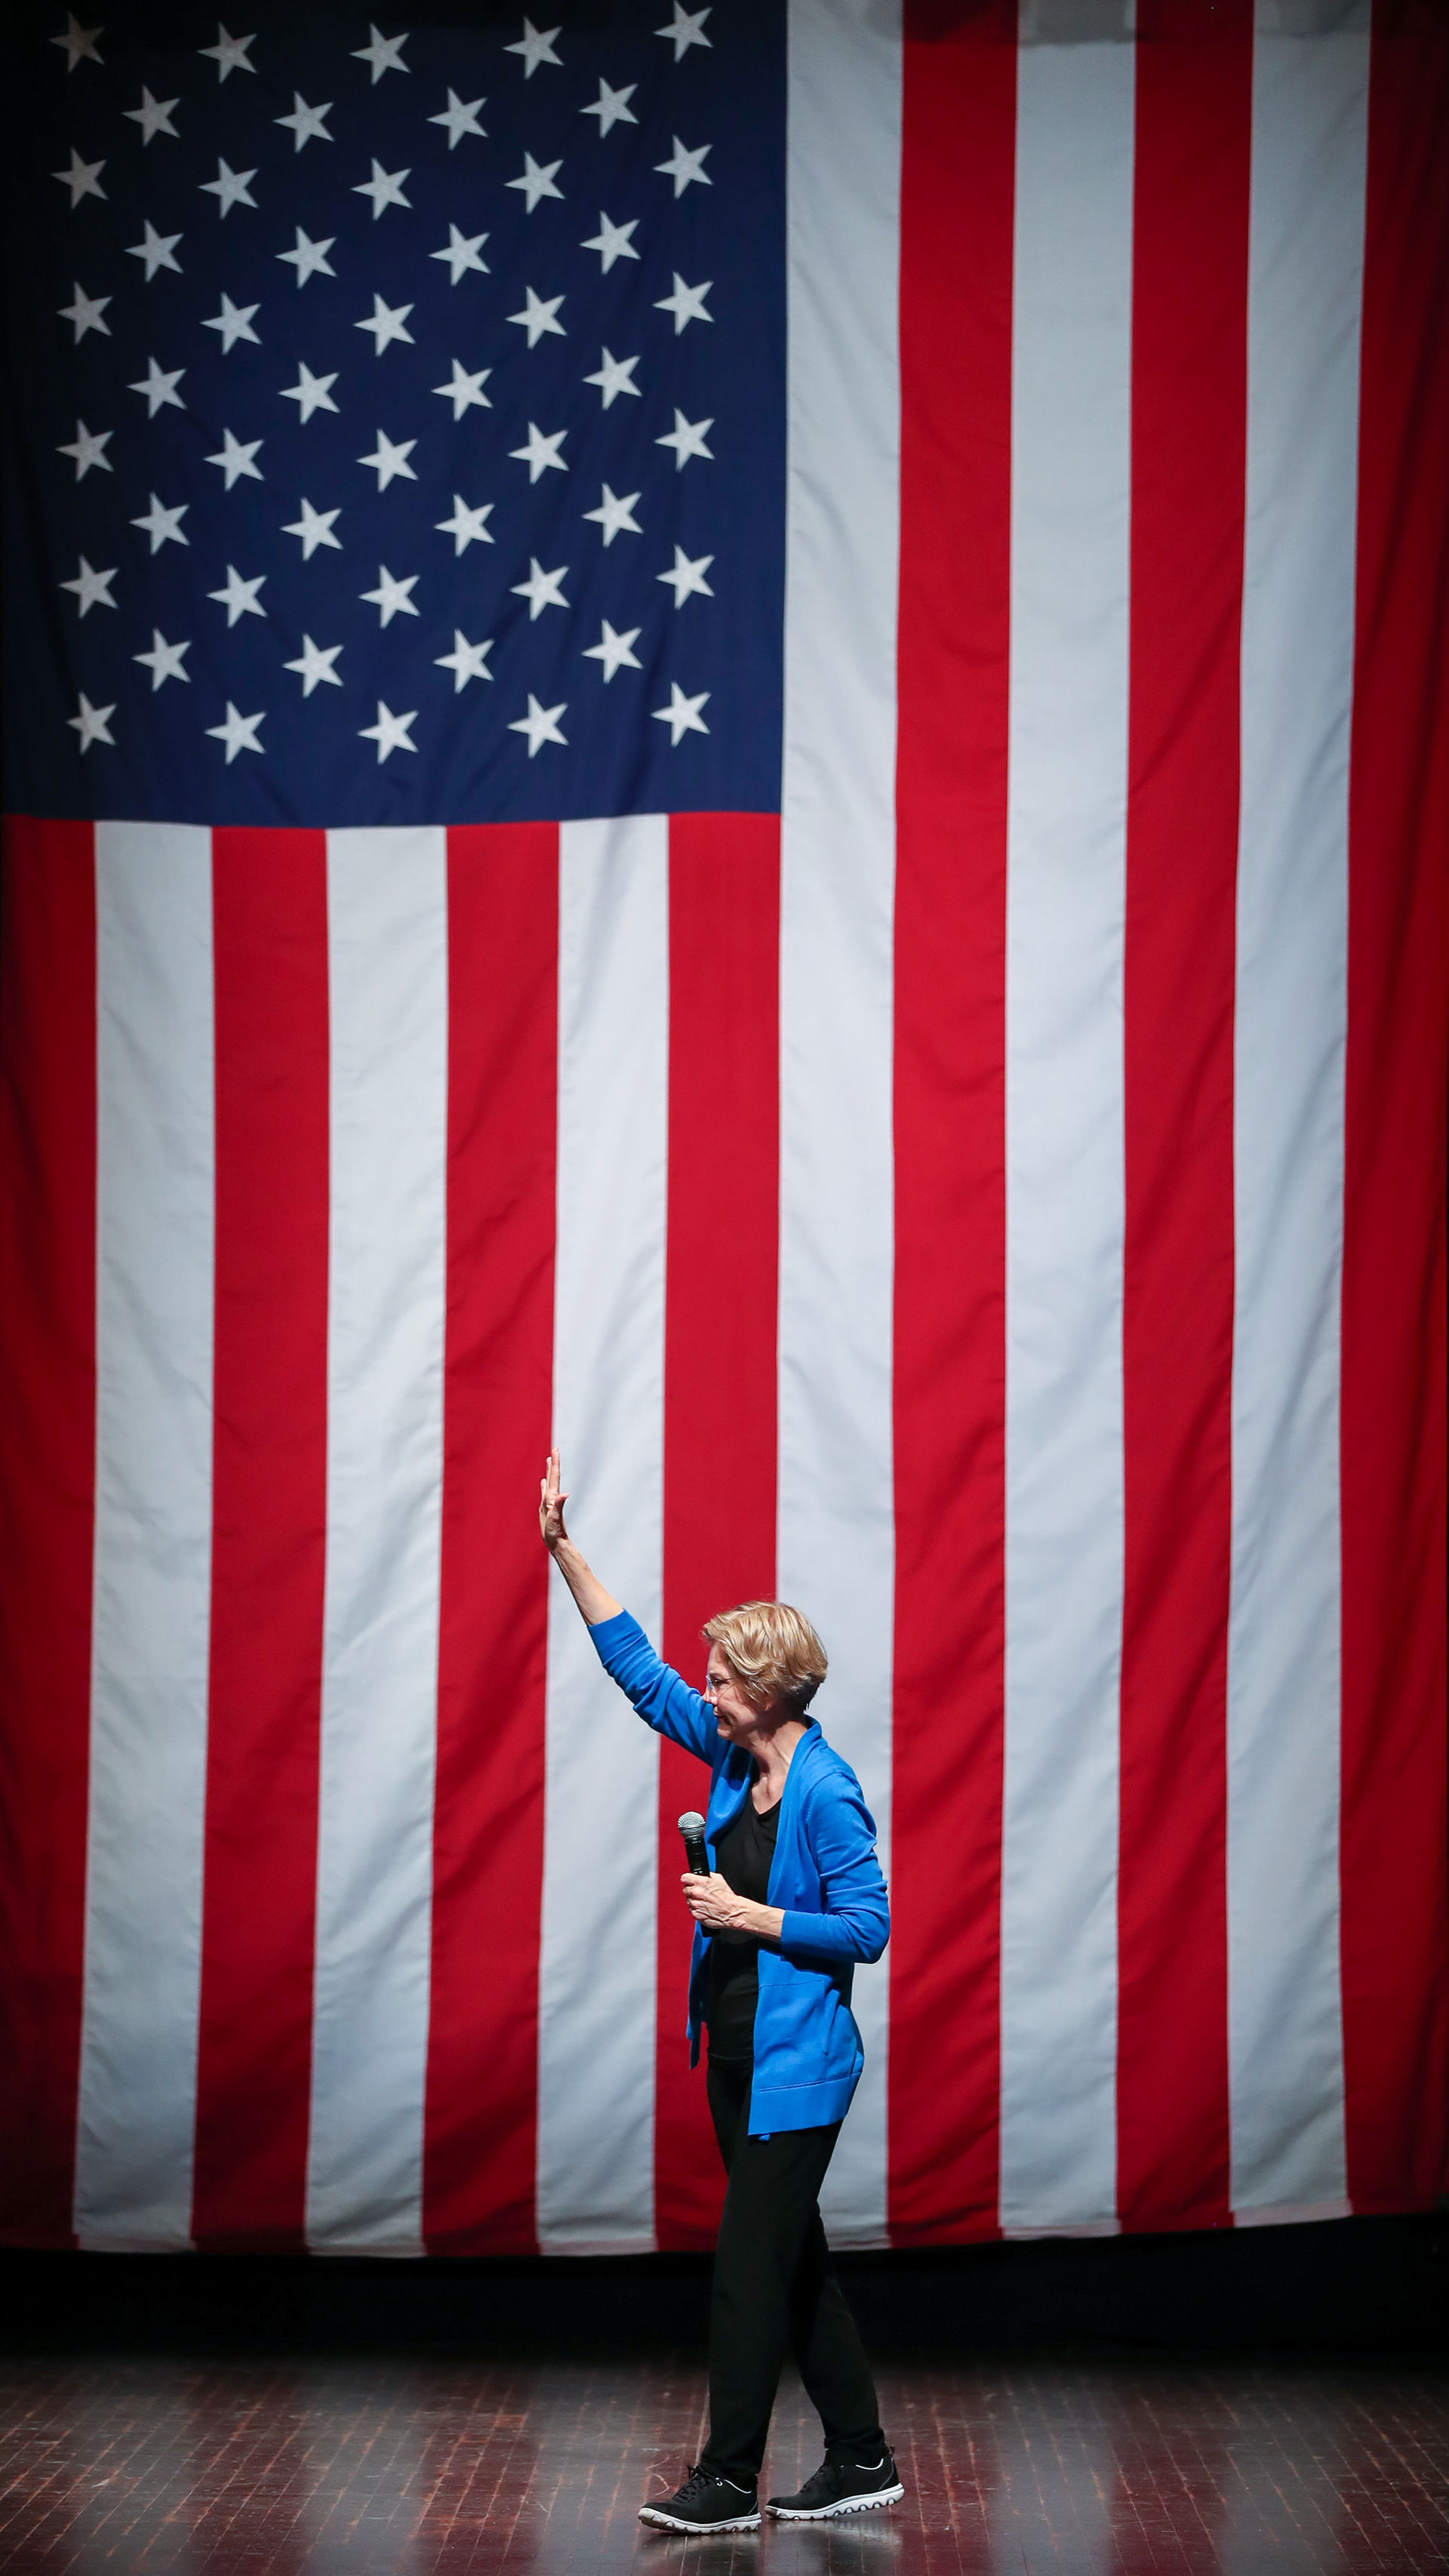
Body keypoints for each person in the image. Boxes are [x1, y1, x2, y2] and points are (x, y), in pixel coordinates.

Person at [538, 1449, 903, 2532]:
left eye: (726, 1679)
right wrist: (563, 1547)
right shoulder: (733, 1759)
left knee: (748, 2267)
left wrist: (753, 1917)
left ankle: (731, 2479)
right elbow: (637, 1668)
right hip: (736, 2055)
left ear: (774, 1689)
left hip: (802, 2067)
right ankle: (863, 2455)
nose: (707, 1690)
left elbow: (870, 1927)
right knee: (793, 2261)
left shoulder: (828, 1791)